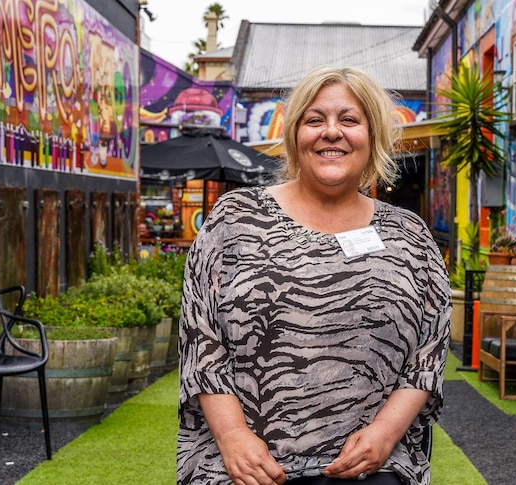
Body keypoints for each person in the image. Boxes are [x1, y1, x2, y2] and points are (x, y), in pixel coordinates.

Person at [177, 66, 452, 485]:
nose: (331, 132)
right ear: (294, 134)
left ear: (373, 134)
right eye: (314, 119)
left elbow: (429, 351)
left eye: (348, 119)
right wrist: (233, 436)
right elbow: (201, 337)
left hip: (373, 470)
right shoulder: (235, 220)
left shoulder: (409, 235)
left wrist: (384, 434)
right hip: (246, 470)